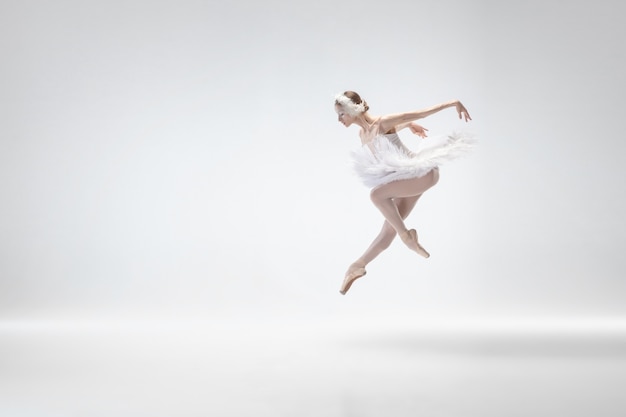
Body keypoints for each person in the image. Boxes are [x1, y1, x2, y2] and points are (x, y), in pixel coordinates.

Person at [335, 90, 473, 295]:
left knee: (376, 195)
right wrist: (407, 126)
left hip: (422, 173)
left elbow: (420, 113)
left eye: (341, 114)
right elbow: (387, 135)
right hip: (407, 180)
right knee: (389, 229)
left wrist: (453, 102)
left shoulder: (383, 122)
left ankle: (408, 238)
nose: (339, 120)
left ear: (352, 110)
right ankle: (357, 265)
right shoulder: (363, 134)